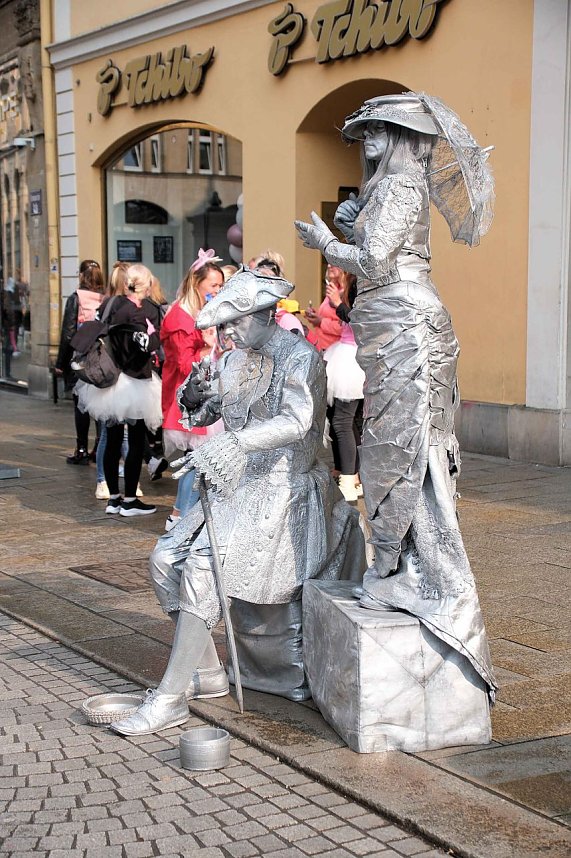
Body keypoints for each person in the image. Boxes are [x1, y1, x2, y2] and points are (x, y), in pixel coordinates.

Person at [295, 92, 497, 700]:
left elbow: (376, 261)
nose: (367, 140)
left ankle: (433, 575)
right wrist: (351, 224)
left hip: (407, 327)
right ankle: (406, 565)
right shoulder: (389, 187)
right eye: (364, 132)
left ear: (400, 134)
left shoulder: (402, 185)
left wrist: (325, 241)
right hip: (391, 326)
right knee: (393, 447)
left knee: (403, 448)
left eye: (376, 129)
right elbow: (380, 247)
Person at [111, 267, 364, 735]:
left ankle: (169, 697)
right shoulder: (231, 359)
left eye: (236, 322)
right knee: (164, 560)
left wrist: (237, 442)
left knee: (204, 567)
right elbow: (207, 411)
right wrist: (194, 396)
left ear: (266, 314)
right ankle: (207, 673)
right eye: (223, 324)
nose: (227, 333)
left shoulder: (302, 358)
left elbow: (298, 422)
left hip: (284, 490)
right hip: (238, 489)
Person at [75, 263, 162, 517]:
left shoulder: (111, 304)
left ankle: (113, 499)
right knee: (135, 441)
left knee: (112, 439)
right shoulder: (148, 310)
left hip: (110, 379)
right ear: (147, 284)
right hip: (136, 380)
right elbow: (150, 345)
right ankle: (130, 500)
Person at [160, 249, 224, 531]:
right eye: (214, 285)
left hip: (201, 395)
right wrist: (209, 347)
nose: (218, 290)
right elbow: (185, 366)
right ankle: (179, 517)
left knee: (198, 461)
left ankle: (182, 515)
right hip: (187, 399)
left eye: (220, 285)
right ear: (197, 284)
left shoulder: (199, 312)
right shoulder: (180, 319)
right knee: (195, 461)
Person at [55, 260, 105, 464]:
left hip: (81, 357)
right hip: (102, 358)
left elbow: (68, 333)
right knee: (100, 404)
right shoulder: (106, 298)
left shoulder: (76, 298)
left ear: (82, 275)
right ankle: (99, 447)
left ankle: (81, 449)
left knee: (81, 404)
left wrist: (60, 362)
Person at [322, 265, 365, 502]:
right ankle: (353, 476)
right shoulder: (353, 281)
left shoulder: (358, 282)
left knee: (342, 421)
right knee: (350, 421)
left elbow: (358, 320)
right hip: (346, 355)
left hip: (351, 358)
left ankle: (350, 480)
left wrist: (339, 304)